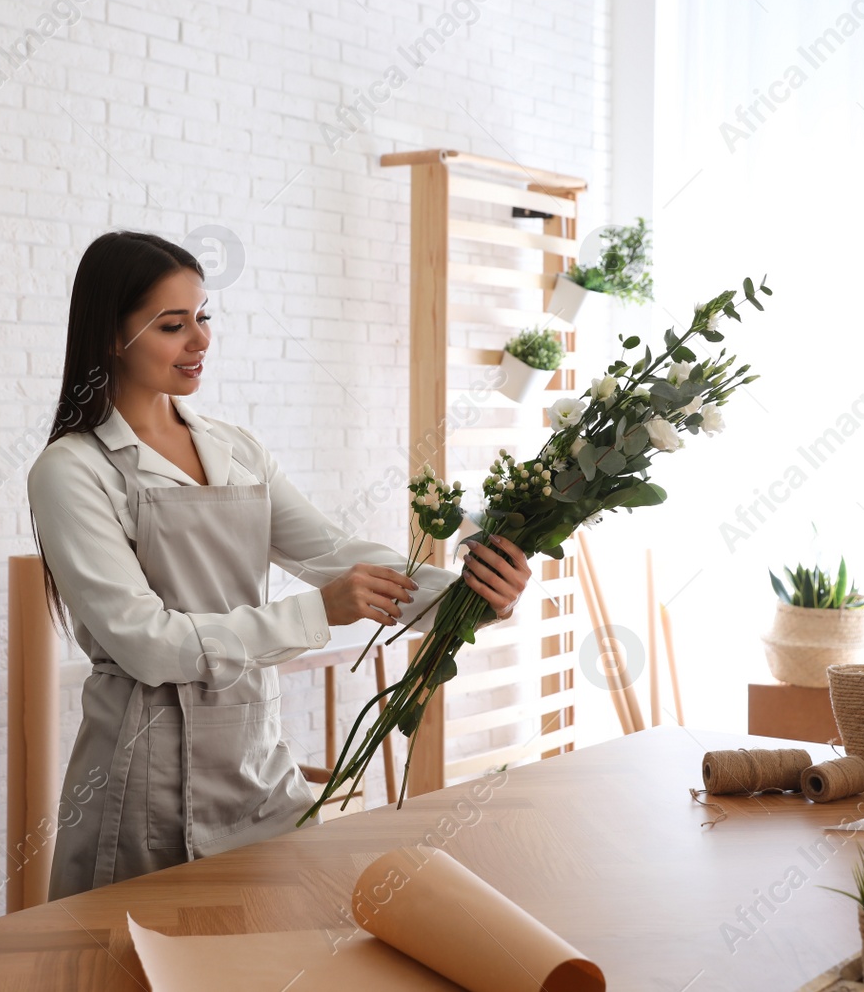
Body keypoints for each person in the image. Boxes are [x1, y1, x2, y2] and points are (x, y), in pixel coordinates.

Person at [28, 231, 533, 900]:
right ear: (110, 336)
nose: (200, 340)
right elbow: (147, 644)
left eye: (203, 317)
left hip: (257, 763)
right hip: (140, 782)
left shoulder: (236, 448)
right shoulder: (72, 470)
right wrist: (317, 610)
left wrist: (469, 598)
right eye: (172, 325)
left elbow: (331, 552)